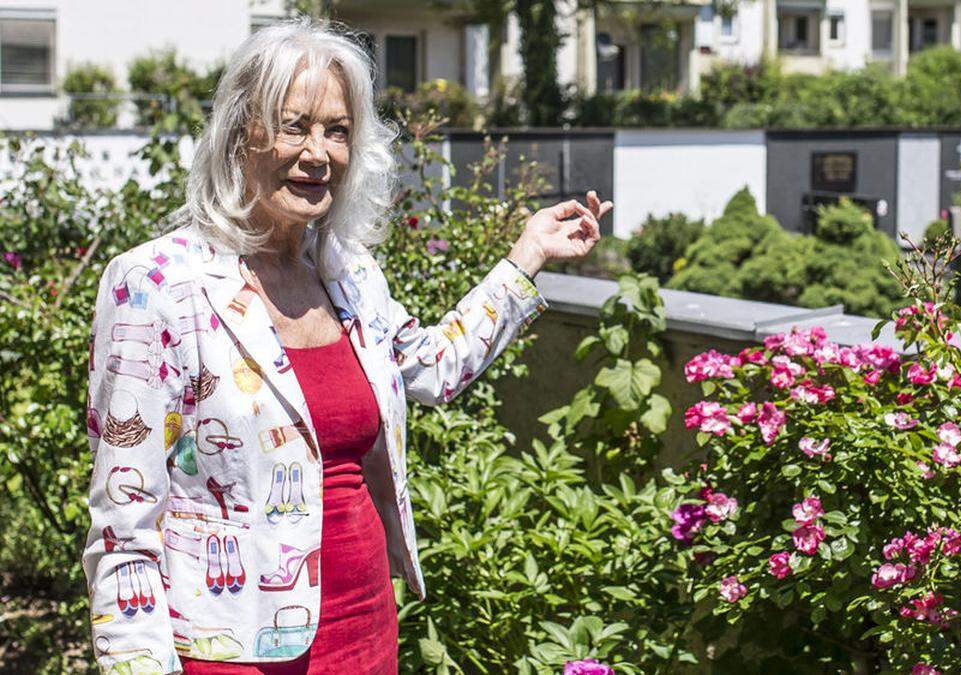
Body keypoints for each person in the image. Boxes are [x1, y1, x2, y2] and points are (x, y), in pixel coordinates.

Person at [82, 17, 609, 674]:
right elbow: (122, 523)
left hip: (362, 620)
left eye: (336, 131)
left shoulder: (348, 273)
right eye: (294, 124)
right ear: (242, 131)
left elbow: (434, 366)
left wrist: (528, 254)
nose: (318, 151)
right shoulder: (157, 284)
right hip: (230, 644)